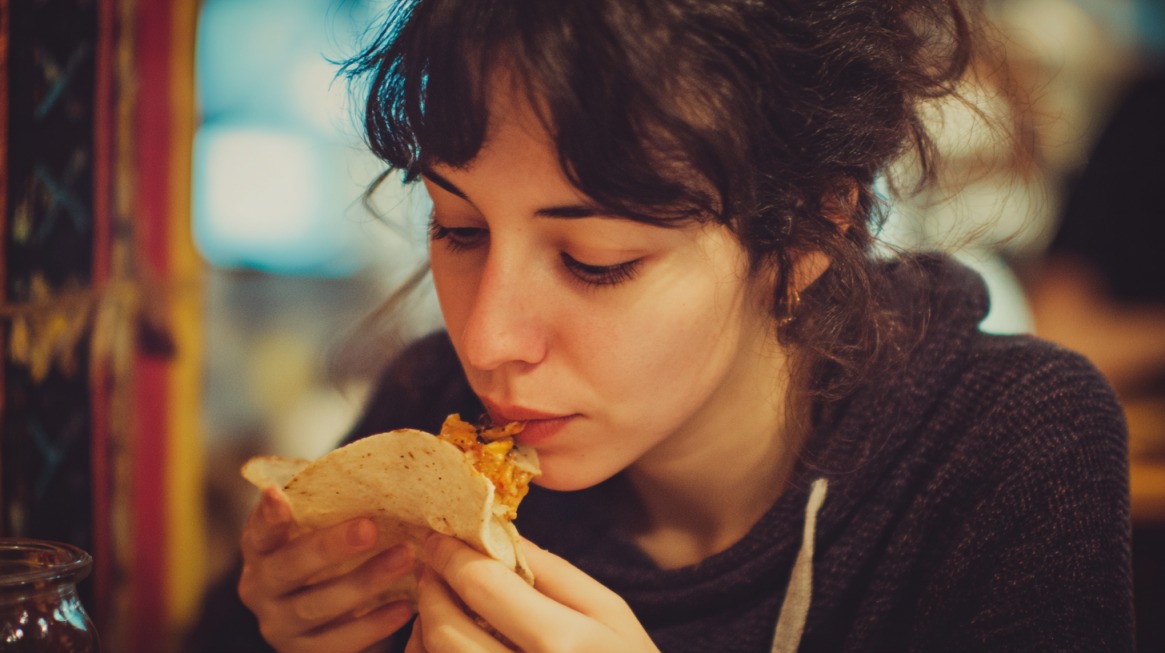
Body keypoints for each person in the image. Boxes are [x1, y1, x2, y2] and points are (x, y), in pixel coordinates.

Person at [219, 1, 1135, 651]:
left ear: (811, 230)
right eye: (457, 229)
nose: (488, 340)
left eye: (596, 259)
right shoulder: (428, 405)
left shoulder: (1001, 447)